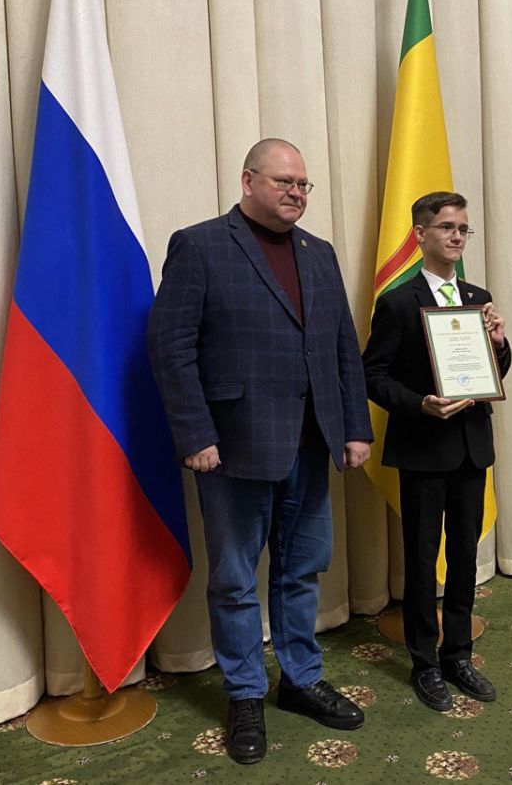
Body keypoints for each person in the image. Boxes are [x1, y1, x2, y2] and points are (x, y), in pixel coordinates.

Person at [147, 138, 373, 765]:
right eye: (283, 182)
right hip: (233, 449)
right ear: (248, 181)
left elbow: (342, 348)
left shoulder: (320, 254)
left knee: (301, 570)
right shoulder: (200, 245)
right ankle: (245, 693)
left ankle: (300, 679)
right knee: (234, 581)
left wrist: (354, 427)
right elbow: (170, 347)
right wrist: (195, 434)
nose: (296, 193)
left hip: (311, 444)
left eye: (303, 185)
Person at [362, 191, 510, 712]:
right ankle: (424, 662)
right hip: (424, 448)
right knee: (424, 560)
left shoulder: (477, 296)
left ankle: (459, 654)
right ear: (420, 234)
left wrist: (498, 342)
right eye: (447, 227)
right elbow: (373, 376)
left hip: (471, 446)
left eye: (464, 228)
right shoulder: (398, 302)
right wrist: (419, 404)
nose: (457, 236)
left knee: (466, 556)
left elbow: (495, 372)